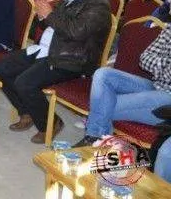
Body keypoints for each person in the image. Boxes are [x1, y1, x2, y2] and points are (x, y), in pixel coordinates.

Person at [0, 0, 111, 144]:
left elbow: (75, 32)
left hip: (72, 59)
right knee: (0, 68)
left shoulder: (99, 5)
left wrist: (49, 14)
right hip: (50, 49)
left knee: (25, 82)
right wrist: (42, 15)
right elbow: (50, 24)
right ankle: (27, 111)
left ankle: (51, 123)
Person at [72, 24, 171, 158]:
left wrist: (160, 66)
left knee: (102, 104)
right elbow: (145, 59)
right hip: (156, 85)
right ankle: (99, 141)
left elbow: (155, 63)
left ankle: (94, 139)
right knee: (103, 74)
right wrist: (167, 65)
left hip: (168, 99)